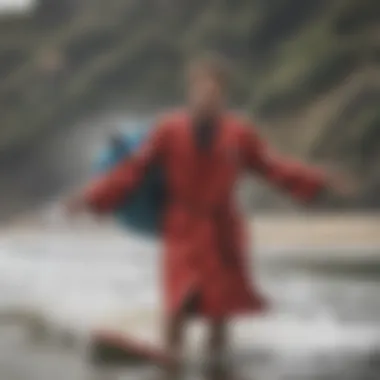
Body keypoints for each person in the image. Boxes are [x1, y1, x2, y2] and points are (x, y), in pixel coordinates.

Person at [65, 53, 354, 379]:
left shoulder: (240, 134)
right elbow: (132, 170)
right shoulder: (167, 129)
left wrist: (318, 179)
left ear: (223, 97)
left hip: (222, 230)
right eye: (200, 92)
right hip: (181, 226)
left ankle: (219, 365)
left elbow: (272, 167)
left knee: (220, 308)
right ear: (190, 92)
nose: (205, 99)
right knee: (178, 302)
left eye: (213, 93)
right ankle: (171, 360)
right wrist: (90, 198)